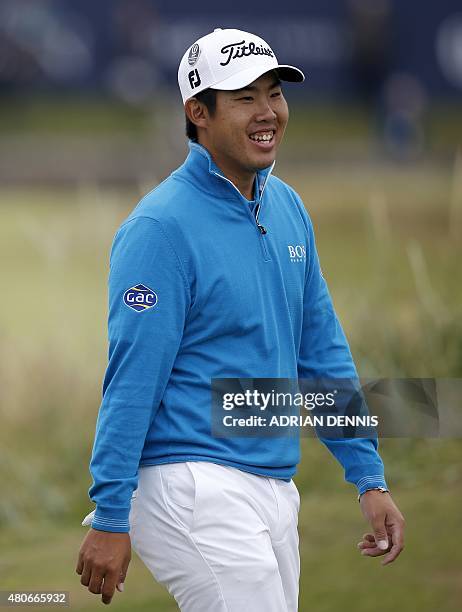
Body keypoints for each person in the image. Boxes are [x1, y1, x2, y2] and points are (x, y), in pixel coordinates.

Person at [76, 27, 405, 610]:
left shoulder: (287, 208)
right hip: (190, 481)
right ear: (197, 113)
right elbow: (133, 377)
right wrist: (109, 512)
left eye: (274, 93)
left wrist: (368, 475)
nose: (267, 112)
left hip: (272, 479)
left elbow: (319, 351)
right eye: (245, 98)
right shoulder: (160, 228)